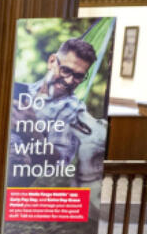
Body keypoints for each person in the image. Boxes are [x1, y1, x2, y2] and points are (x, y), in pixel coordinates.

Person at [8, 37, 98, 173]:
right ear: (51, 62)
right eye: (66, 70)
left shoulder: (73, 110)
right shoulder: (17, 89)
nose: (69, 81)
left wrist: (33, 131)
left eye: (78, 76)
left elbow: (60, 164)